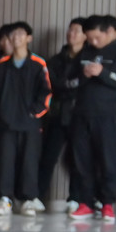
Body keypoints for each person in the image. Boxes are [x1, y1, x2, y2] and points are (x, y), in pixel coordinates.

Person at [70, 15, 116, 219]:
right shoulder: (86, 51)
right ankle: (86, 202)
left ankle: (107, 203)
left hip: (108, 116)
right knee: (82, 160)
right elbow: (71, 80)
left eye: (97, 38)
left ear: (108, 32)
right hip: (81, 113)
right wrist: (84, 75)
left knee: (108, 161)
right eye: (89, 38)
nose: (93, 42)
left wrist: (103, 73)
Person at [0, 23, 52, 215]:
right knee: (4, 161)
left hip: (30, 123)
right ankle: (5, 199)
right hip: (6, 123)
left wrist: (34, 113)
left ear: (29, 38)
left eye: (21, 34)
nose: (16, 38)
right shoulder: (1, 65)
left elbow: (46, 92)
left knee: (29, 161)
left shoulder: (38, 64)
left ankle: (28, 199)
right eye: (13, 34)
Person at [40, 18, 87, 209]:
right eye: (70, 30)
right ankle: (38, 197)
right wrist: (72, 84)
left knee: (78, 158)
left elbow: (86, 85)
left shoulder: (89, 59)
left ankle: (75, 198)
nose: (71, 34)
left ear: (85, 35)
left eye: (76, 31)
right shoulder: (56, 59)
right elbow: (52, 84)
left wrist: (69, 85)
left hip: (80, 115)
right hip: (58, 115)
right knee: (48, 157)